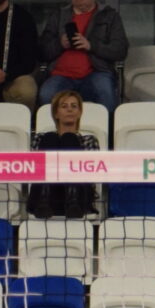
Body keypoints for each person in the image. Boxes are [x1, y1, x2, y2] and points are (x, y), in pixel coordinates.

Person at [36, 0, 127, 113]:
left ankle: (107, 129)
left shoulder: (109, 16)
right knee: (46, 94)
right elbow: (41, 52)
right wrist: (60, 44)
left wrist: (91, 46)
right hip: (61, 75)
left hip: (97, 72)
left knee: (106, 93)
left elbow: (120, 50)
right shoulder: (59, 15)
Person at [26, 86, 100, 221]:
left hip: (79, 200)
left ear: (79, 113)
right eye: (64, 106)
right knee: (50, 137)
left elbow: (91, 173)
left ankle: (73, 199)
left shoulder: (89, 140)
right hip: (44, 200)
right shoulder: (41, 139)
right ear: (56, 113)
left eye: (74, 106)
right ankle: (44, 198)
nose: (69, 109)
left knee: (69, 139)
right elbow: (35, 169)